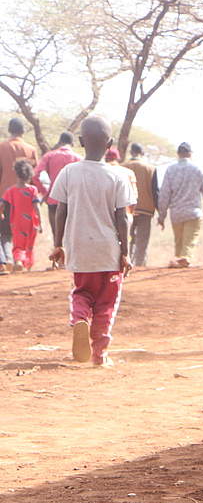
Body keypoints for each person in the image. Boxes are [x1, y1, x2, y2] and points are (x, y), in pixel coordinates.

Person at [47, 115, 134, 367]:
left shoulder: (68, 172)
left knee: (82, 292)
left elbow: (60, 210)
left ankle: (80, 319)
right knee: (107, 303)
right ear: (110, 143)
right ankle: (99, 354)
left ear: (82, 141)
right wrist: (125, 252)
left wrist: (58, 243)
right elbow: (123, 218)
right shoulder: (118, 176)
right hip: (108, 252)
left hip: (79, 248)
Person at [156, 141, 203, 267]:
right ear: (190, 154)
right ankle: (184, 260)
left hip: (176, 214)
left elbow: (164, 194)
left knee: (179, 243)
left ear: (178, 154)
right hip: (193, 212)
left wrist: (162, 216)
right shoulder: (197, 169)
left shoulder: (170, 170)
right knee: (189, 243)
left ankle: (179, 264)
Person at [33, 132, 81, 268]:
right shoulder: (78, 158)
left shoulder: (49, 156)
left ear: (60, 142)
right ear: (72, 144)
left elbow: (36, 174)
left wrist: (45, 192)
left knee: (57, 231)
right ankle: (70, 262)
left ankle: (58, 262)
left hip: (54, 200)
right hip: (72, 200)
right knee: (71, 231)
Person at [0, 118, 38, 274]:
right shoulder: (30, 150)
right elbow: (32, 176)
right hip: (24, 198)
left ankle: (6, 260)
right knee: (20, 232)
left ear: (9, 129)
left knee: (4, 232)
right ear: (23, 131)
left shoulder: (2, 147)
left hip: (3, 195)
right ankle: (18, 260)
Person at [0, 159, 42, 272]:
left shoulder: (11, 190)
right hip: (31, 222)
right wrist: (41, 223)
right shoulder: (33, 189)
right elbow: (37, 207)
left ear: (17, 174)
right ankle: (26, 265)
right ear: (29, 175)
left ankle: (18, 261)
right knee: (29, 245)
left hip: (16, 222)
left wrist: (1, 214)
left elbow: (2, 204)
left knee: (18, 245)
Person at [123, 143, 159, 267]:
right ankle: (139, 264)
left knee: (127, 237)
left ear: (131, 152)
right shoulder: (150, 168)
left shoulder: (123, 167)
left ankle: (126, 261)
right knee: (142, 240)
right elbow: (155, 191)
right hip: (146, 209)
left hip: (127, 209)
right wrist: (160, 211)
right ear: (142, 153)